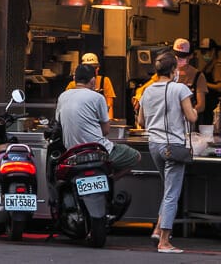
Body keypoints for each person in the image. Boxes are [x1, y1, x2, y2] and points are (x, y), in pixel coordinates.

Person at [137, 51, 199, 254]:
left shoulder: (146, 91)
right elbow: (191, 117)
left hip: (154, 145)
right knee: (172, 193)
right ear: (174, 70)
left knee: (167, 189)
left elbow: (140, 122)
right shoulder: (179, 88)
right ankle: (164, 240)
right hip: (173, 145)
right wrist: (194, 111)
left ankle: (157, 228)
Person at [56, 63, 140, 178]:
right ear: (93, 80)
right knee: (135, 156)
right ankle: (108, 181)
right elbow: (105, 130)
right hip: (97, 151)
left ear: (75, 79)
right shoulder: (97, 97)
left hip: (72, 154)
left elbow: (59, 122)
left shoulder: (63, 96)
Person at [65, 52, 116, 119]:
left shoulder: (104, 81)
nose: (92, 71)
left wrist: (110, 122)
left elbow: (109, 105)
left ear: (98, 68)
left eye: (95, 67)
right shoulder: (73, 85)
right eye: (89, 68)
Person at [172, 38, 206, 118]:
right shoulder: (168, 72)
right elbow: (150, 85)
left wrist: (185, 113)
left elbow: (201, 106)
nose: (179, 60)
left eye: (182, 57)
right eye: (177, 56)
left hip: (188, 122)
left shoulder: (198, 76)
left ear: (190, 56)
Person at [198, 38, 221, 126]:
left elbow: (219, 87)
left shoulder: (217, 66)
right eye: (202, 52)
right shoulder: (208, 65)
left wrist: (203, 84)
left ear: (213, 51)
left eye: (205, 52)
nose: (203, 55)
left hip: (213, 105)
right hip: (207, 106)